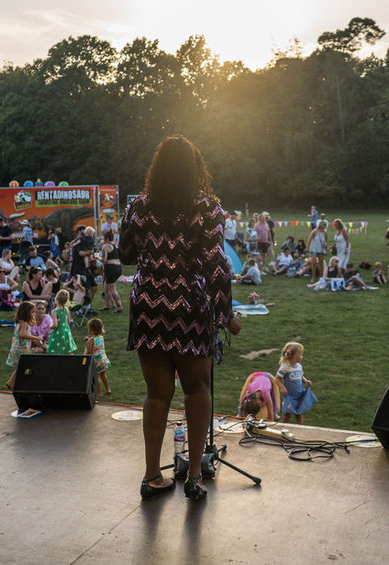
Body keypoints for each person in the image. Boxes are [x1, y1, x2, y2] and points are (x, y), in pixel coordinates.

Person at [119, 134, 240, 501]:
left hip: (148, 306)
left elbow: (126, 255)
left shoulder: (138, 207)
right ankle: (194, 477)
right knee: (197, 389)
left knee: (156, 393)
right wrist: (226, 314)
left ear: (156, 169)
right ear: (194, 168)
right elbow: (217, 264)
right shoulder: (207, 208)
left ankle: (152, 476)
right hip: (190, 305)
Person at [274, 342, 316, 425]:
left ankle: (299, 429)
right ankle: (281, 427)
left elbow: (300, 376)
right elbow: (277, 379)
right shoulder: (285, 367)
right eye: (300, 354)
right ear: (293, 356)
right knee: (287, 415)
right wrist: (283, 388)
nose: (301, 356)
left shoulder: (299, 366)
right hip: (289, 396)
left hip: (299, 395)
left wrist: (305, 380)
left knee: (299, 414)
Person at [5, 302, 44, 389]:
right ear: (26, 312)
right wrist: (37, 338)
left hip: (18, 347)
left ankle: (12, 382)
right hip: (22, 348)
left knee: (22, 365)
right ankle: (15, 382)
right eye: (32, 312)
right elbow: (22, 335)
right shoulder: (25, 322)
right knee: (25, 365)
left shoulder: (20, 322)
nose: (33, 314)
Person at [85, 318, 112, 397]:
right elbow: (97, 346)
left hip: (96, 361)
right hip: (103, 360)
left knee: (96, 377)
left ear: (91, 329)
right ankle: (108, 389)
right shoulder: (101, 337)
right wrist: (88, 340)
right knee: (103, 374)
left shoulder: (91, 340)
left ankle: (99, 393)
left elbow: (89, 352)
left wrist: (87, 344)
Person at [47, 289, 78, 354]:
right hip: (66, 331)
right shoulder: (66, 309)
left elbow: (55, 325)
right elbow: (68, 322)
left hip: (58, 332)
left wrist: (50, 326)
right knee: (67, 349)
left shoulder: (54, 311)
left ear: (56, 299)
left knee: (56, 349)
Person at [99, 231, 123, 312]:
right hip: (118, 267)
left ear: (107, 239)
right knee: (106, 287)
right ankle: (108, 305)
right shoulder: (115, 246)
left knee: (112, 289)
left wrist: (97, 258)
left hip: (111, 268)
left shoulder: (105, 246)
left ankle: (119, 307)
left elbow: (104, 260)